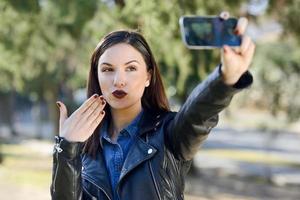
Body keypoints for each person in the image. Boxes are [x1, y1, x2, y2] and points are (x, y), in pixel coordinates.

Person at [50, 14, 255, 200]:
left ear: (148, 76)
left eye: (131, 68)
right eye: (107, 69)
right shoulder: (85, 146)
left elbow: (199, 114)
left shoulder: (170, 133)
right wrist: (67, 147)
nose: (119, 80)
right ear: (96, 76)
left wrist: (225, 78)